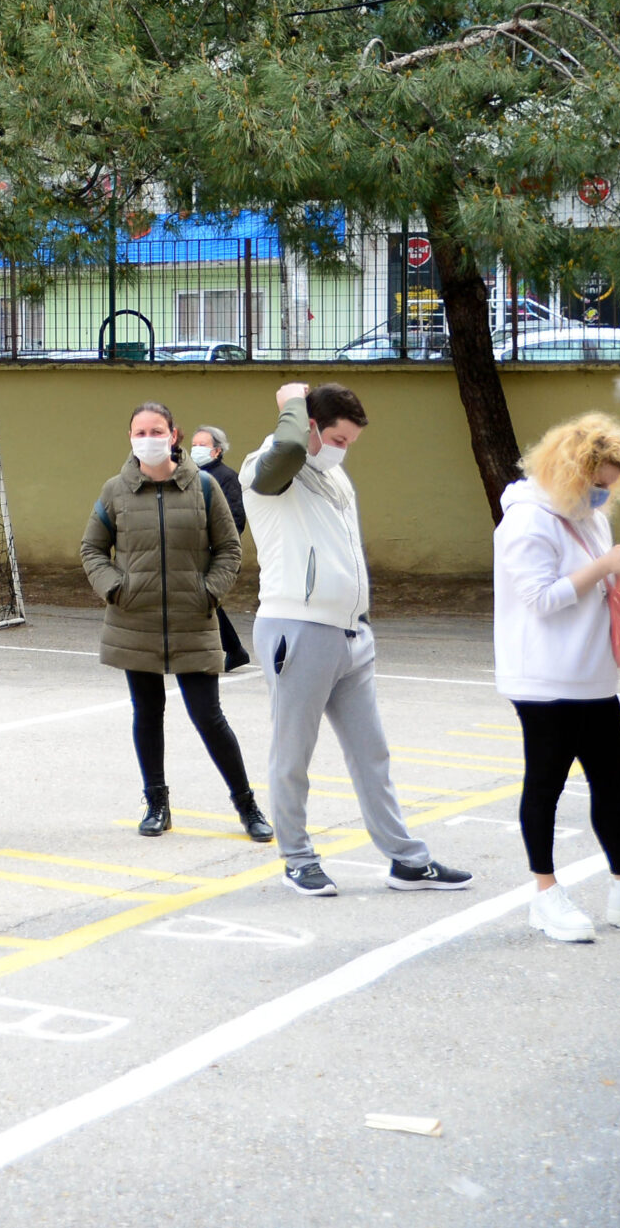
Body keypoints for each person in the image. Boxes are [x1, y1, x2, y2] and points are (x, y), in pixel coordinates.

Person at [244, 381, 471, 895]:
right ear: (309, 429)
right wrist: (289, 404)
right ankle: (297, 858)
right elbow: (286, 452)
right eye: (338, 439)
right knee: (293, 753)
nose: (343, 450)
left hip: (351, 632)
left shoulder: (335, 477)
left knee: (372, 753)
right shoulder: (269, 466)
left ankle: (407, 860)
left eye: (350, 441)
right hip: (298, 628)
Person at [81, 402, 270, 841]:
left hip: (193, 620)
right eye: (140, 430)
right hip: (135, 621)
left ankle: (247, 805)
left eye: (157, 429)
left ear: (173, 434)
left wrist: (208, 592)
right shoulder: (115, 490)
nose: (148, 437)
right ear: (130, 437)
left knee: (209, 716)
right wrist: (115, 588)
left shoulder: (204, 487)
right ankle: (156, 803)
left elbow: (229, 549)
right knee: (147, 714)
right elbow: (92, 549)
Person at [492, 413, 620, 941]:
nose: (605, 495)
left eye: (611, 485)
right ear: (575, 472)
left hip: (592, 672)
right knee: (546, 784)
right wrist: (602, 569)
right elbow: (540, 599)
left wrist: (615, 575)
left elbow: (588, 586)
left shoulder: (586, 514)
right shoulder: (526, 520)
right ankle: (545, 893)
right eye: (599, 484)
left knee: (613, 782)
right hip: (544, 678)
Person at [189, 425, 247, 538]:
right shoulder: (188, 474)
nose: (197, 449)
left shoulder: (228, 477)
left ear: (217, 451)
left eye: (202, 445)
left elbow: (235, 517)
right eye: (194, 445)